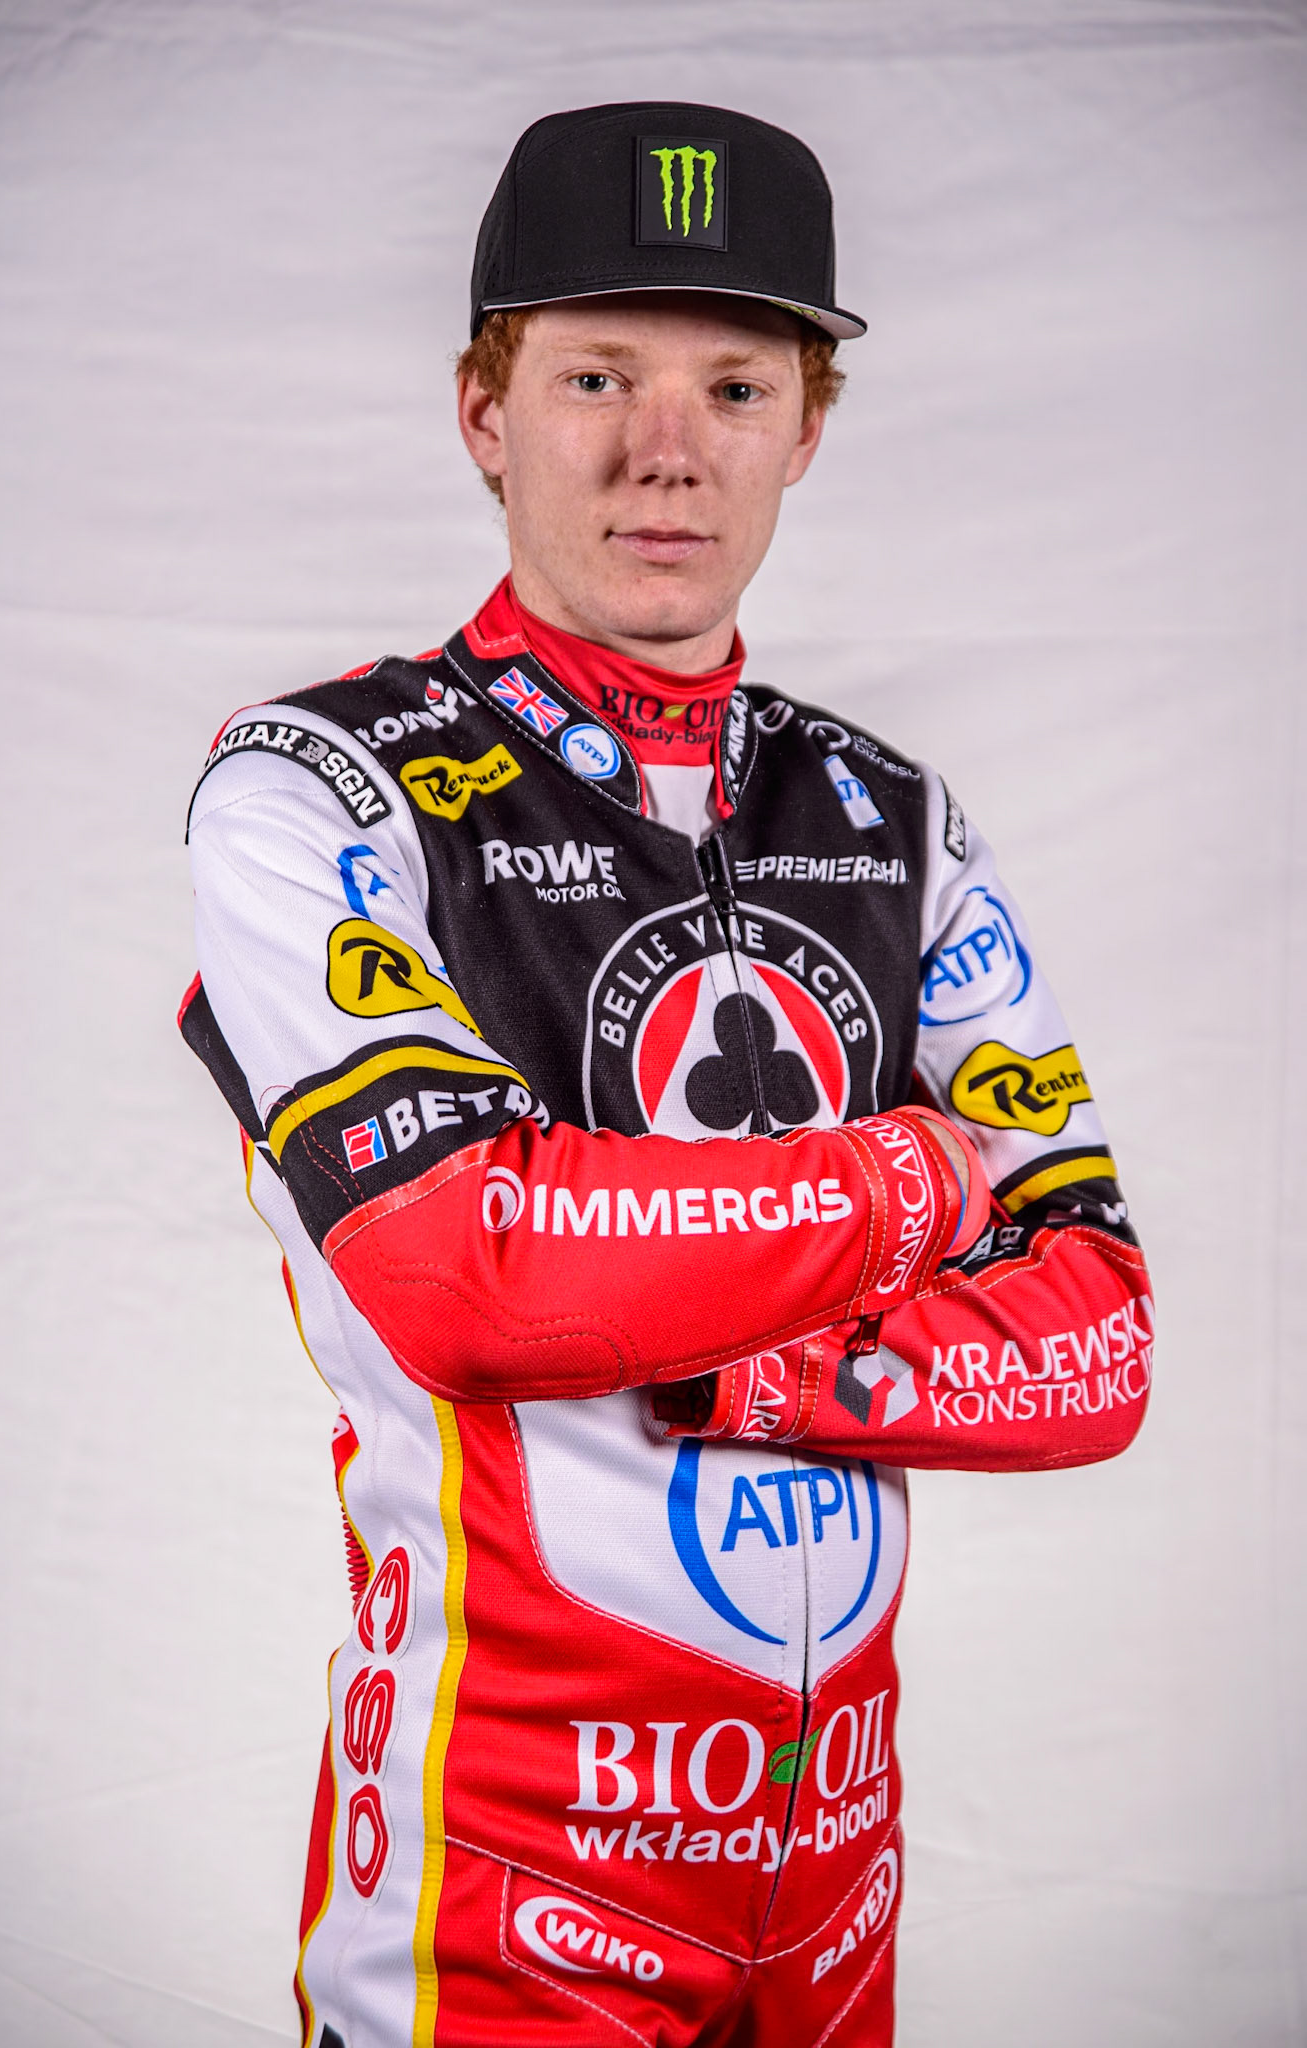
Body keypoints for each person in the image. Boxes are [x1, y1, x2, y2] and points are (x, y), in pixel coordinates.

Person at [182, 101, 1152, 2048]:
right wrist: (917, 1187)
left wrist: (718, 1353)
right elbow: (475, 1274)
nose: (663, 448)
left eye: (732, 382)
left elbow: (1097, 1341)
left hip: (837, 1864)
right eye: (596, 374)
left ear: (808, 426)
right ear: (483, 408)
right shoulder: (313, 784)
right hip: (504, 1865)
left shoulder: (887, 814)